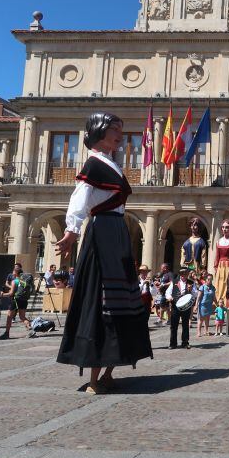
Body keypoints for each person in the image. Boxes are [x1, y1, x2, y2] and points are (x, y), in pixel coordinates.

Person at [55, 112, 152, 394]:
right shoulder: (94, 164)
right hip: (103, 233)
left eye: (121, 128)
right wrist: (72, 230)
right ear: (99, 132)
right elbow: (81, 196)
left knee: (123, 298)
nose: (119, 134)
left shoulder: (111, 164)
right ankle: (95, 376)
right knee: (101, 296)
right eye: (113, 129)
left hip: (116, 232)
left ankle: (110, 369)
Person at [0, 268, 32, 339]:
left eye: (13, 271)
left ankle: (6, 333)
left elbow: (11, 293)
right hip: (24, 300)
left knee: (9, 316)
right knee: (22, 317)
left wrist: (2, 294)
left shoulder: (15, 281)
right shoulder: (23, 281)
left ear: (16, 273)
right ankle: (32, 330)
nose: (12, 272)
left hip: (15, 300)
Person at [213, 218, 229, 308]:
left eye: (227, 227)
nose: (224, 229)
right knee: (219, 285)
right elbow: (217, 256)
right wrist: (216, 267)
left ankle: (228, 304)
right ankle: (219, 305)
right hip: (220, 266)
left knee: (228, 285)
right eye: (223, 227)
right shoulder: (218, 241)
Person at [168, 268, 193, 349]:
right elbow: (168, 292)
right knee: (173, 325)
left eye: (185, 274)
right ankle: (173, 344)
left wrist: (192, 290)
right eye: (182, 274)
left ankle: (185, 343)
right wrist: (169, 297)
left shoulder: (191, 283)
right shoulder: (174, 282)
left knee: (185, 325)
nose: (183, 276)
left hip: (186, 307)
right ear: (180, 275)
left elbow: (195, 294)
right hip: (175, 306)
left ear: (187, 274)